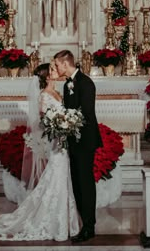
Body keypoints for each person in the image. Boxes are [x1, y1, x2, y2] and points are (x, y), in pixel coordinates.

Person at [0, 63, 79, 241]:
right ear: (47, 76)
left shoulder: (57, 92)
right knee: (57, 177)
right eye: (53, 70)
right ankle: (54, 222)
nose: (56, 71)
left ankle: (63, 220)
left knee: (61, 178)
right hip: (56, 143)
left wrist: (68, 125)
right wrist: (60, 128)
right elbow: (45, 121)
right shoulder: (44, 96)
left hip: (62, 143)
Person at [54, 50, 103, 242]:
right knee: (76, 183)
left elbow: (87, 113)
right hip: (73, 140)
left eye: (57, 65)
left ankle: (90, 226)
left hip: (85, 140)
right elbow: (68, 109)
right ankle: (83, 222)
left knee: (85, 183)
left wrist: (69, 121)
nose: (56, 68)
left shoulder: (86, 83)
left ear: (65, 64)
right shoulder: (67, 85)